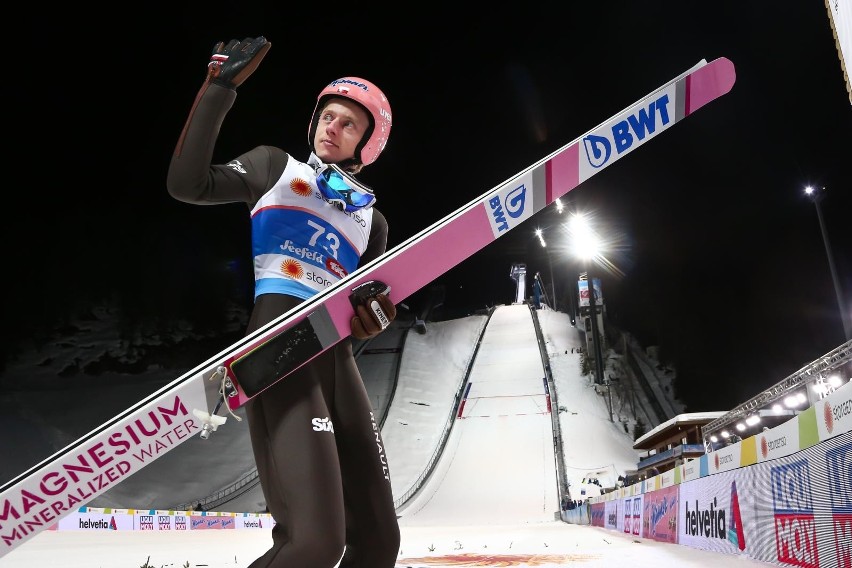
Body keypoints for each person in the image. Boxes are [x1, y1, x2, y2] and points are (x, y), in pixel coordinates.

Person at [167, 36, 400, 567]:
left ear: (370, 144)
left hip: (335, 360)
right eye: (327, 117)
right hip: (276, 345)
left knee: (379, 545)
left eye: (348, 124)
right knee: (315, 543)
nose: (331, 128)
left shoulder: (373, 223)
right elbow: (187, 183)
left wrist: (376, 317)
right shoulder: (277, 168)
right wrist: (217, 88)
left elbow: (368, 311)